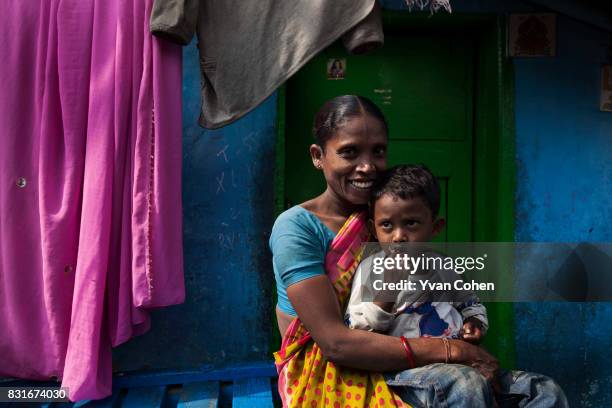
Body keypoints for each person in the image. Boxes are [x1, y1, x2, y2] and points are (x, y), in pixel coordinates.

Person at [271, 95, 505, 408]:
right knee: (464, 384)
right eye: (350, 152)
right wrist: (455, 351)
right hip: (333, 371)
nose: (367, 167)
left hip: (410, 361)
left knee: (539, 392)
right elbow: (336, 344)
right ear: (318, 156)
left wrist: (468, 324)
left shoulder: (389, 218)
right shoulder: (296, 228)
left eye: (377, 151)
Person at [343, 164, 569, 407]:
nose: (399, 236)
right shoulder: (371, 269)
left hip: (460, 367)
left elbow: (470, 304)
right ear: (373, 230)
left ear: (435, 227)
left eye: (411, 223)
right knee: (466, 383)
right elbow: (358, 331)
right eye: (387, 225)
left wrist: (475, 324)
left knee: (543, 390)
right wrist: (387, 291)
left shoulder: (444, 267)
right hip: (403, 375)